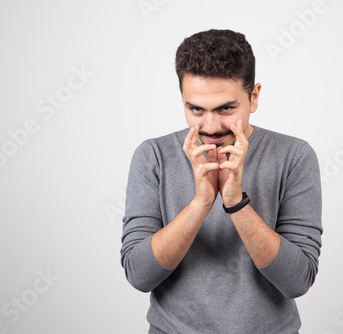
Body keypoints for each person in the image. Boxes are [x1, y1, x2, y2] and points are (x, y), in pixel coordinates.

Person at [120, 29, 323, 334]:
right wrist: (201, 203)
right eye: (196, 109)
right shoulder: (154, 156)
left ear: (253, 97)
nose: (212, 126)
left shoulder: (294, 156)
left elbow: (297, 280)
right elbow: (139, 274)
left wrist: (235, 202)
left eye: (226, 108)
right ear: (182, 100)